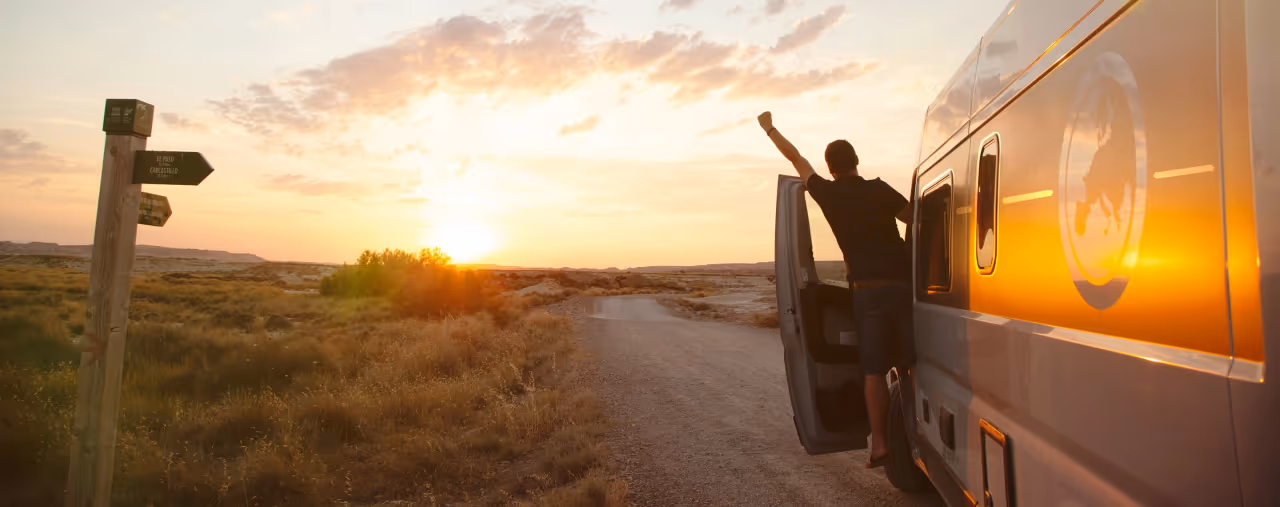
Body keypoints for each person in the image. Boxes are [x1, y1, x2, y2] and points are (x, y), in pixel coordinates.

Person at [757, 111, 915, 469]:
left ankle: (880, 444)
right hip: (903, 288)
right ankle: (920, 433)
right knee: (909, 366)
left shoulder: (826, 193)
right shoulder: (879, 188)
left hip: (867, 293)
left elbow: (796, 159)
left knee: (874, 371)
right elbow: (916, 220)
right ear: (856, 161)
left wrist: (770, 128)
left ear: (830, 168)